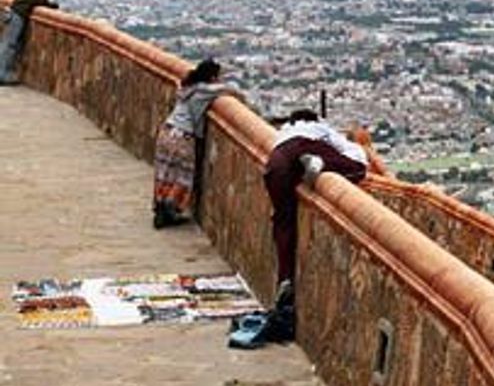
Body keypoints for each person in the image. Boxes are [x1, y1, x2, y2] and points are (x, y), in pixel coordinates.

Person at [264, 110, 370, 303]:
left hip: (277, 160)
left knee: (283, 221)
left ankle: (285, 278)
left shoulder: (282, 133)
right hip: (306, 148)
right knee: (356, 169)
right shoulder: (321, 128)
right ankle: (321, 163)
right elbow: (357, 157)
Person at [152, 58, 243, 228]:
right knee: (182, 175)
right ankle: (170, 209)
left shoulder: (186, 87)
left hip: (167, 131)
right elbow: (228, 90)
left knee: (165, 172)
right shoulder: (203, 90)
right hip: (183, 136)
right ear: (212, 76)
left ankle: (160, 207)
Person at [0, 0, 71, 84]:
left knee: (12, 44)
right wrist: (50, 6)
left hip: (19, 12)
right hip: (18, 13)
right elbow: (38, 1)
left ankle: (5, 73)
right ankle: (2, 74)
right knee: (9, 45)